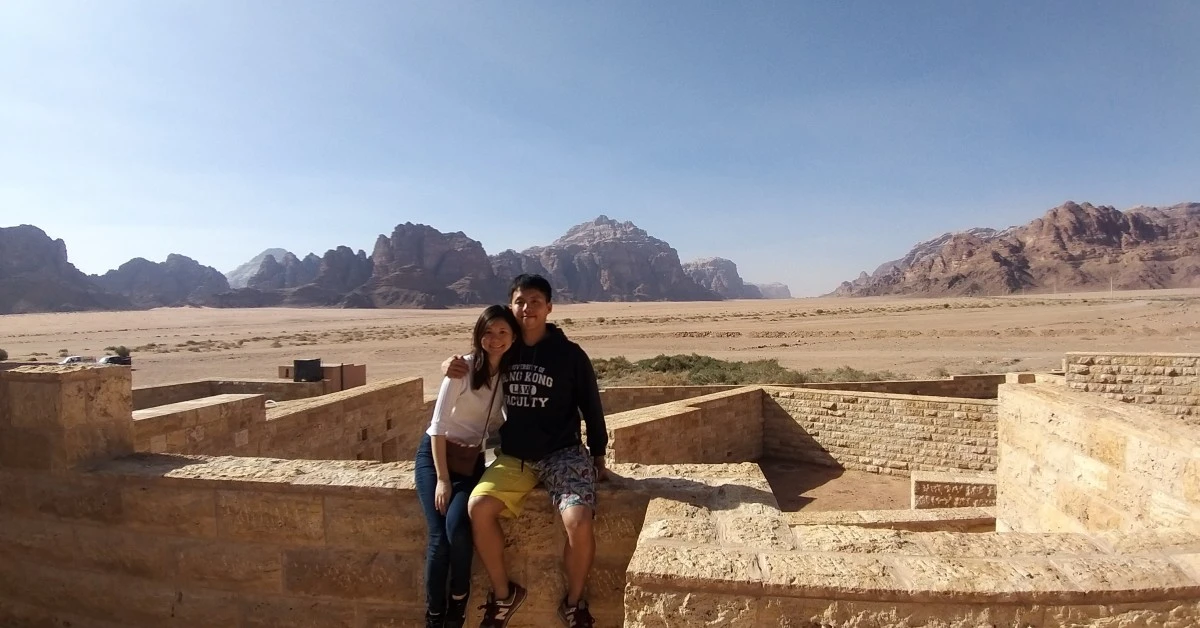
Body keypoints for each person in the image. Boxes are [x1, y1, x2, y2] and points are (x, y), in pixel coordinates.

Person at [442, 274, 607, 628]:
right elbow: (475, 362)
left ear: (549, 307)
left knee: (578, 523)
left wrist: (598, 454)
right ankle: (504, 596)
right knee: (478, 508)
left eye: (535, 301)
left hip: (563, 454)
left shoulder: (570, 355)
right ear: (511, 305)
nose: (527, 308)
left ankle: (574, 603)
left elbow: (591, 405)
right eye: (520, 301)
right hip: (515, 456)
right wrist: (449, 365)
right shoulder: (507, 349)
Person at [417, 305, 521, 628]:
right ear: (479, 336)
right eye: (488, 332)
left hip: (470, 463)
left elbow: (507, 422)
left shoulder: (507, 376)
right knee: (439, 538)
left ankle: (459, 601)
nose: (495, 339)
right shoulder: (462, 371)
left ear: (513, 337)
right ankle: (435, 615)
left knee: (459, 531)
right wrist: (443, 480)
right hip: (436, 461)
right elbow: (437, 427)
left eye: (503, 332)